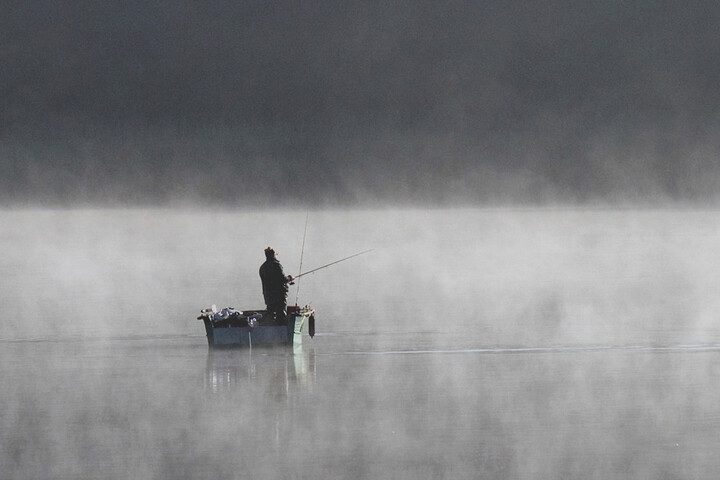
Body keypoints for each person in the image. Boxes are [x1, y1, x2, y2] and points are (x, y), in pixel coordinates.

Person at [259, 247, 293, 324]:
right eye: (276, 254)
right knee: (281, 314)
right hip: (279, 295)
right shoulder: (276, 265)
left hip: (268, 295)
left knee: (270, 313)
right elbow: (282, 279)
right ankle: (281, 331)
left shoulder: (262, 267)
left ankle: (270, 330)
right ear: (273, 255)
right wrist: (290, 278)